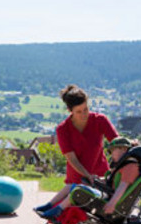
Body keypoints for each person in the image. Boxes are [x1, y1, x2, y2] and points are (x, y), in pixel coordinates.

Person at [35, 85, 118, 215]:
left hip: (99, 176)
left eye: (86, 109)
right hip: (77, 177)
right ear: (70, 110)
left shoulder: (100, 120)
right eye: (79, 111)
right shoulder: (63, 129)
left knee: (102, 220)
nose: (84, 114)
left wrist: (131, 145)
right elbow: (71, 158)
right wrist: (87, 175)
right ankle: (51, 207)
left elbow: (116, 142)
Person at [40, 136, 139, 219]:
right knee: (71, 186)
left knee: (78, 190)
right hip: (108, 193)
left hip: (109, 198)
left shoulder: (130, 167)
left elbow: (122, 186)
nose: (111, 154)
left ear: (124, 149)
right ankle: (49, 205)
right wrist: (98, 180)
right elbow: (112, 182)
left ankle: (58, 210)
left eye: (113, 150)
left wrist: (112, 204)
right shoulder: (123, 166)